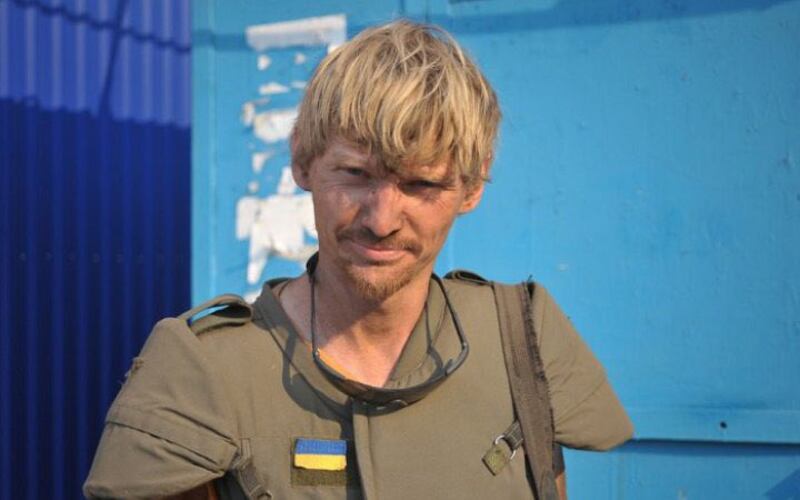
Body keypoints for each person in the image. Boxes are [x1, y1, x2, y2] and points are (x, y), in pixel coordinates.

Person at [84, 20, 633, 499]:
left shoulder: (524, 339)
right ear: (302, 160)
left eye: (421, 184)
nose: (381, 219)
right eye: (354, 174)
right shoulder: (201, 368)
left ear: (472, 187)